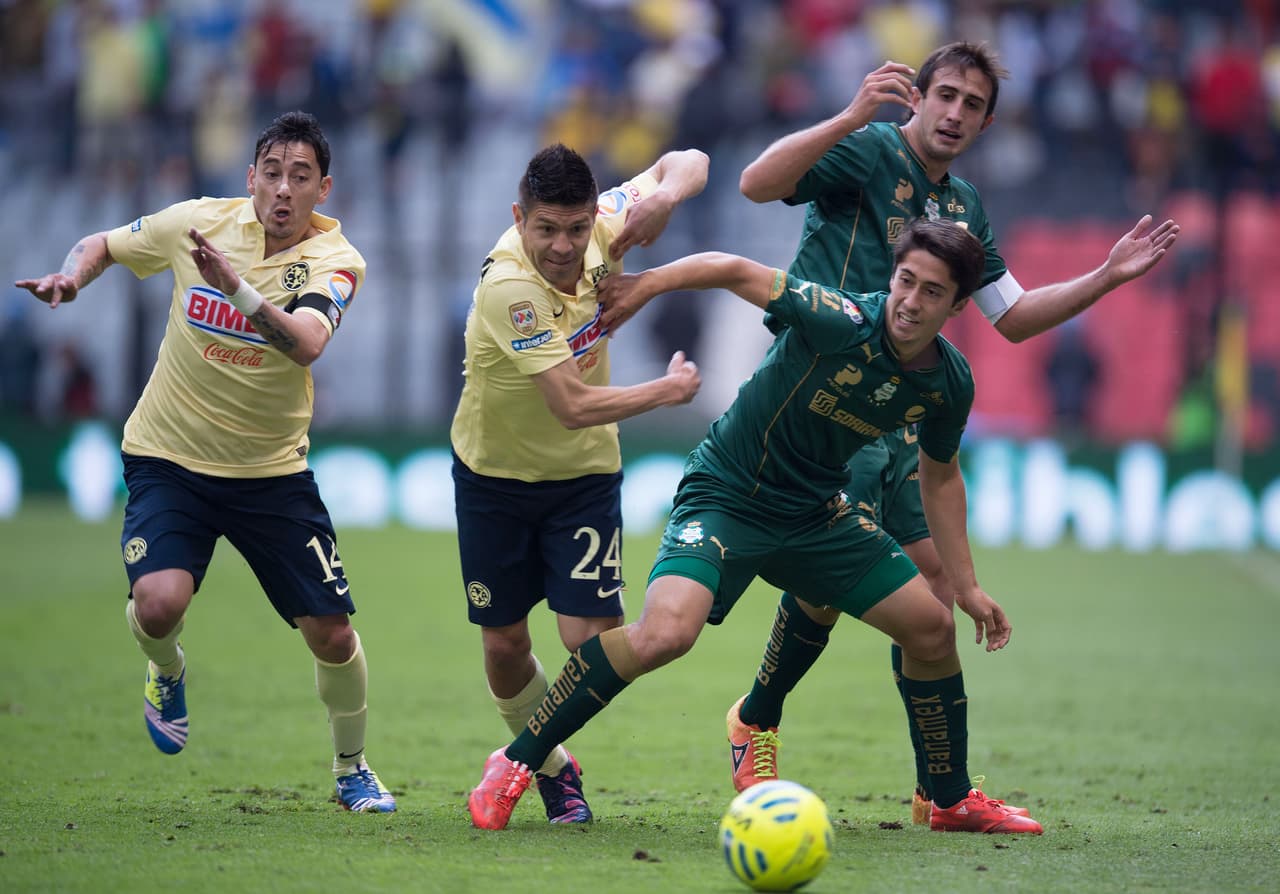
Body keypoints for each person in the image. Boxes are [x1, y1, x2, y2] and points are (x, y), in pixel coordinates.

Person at [466, 219, 1050, 833]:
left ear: (958, 305)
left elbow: (940, 478)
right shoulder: (841, 318)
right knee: (667, 633)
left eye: (932, 291)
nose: (911, 300)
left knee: (932, 629)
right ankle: (515, 759)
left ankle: (951, 800)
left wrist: (967, 586)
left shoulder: (948, 382)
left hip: (816, 515)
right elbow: (734, 269)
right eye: (906, 281)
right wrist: (647, 285)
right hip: (726, 493)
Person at [729, 41, 1179, 828]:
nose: (955, 114)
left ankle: (942, 794)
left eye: (973, 105)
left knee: (936, 594)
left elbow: (1011, 315)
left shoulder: (964, 207)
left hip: (896, 418)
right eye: (945, 95)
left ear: (986, 122)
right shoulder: (867, 150)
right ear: (920, 97)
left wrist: (1106, 277)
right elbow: (757, 183)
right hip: (823, 401)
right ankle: (757, 717)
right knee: (831, 580)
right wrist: (848, 115)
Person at [15, 111, 396, 813]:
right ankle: (167, 671)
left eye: (300, 176)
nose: (283, 188)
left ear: (324, 189)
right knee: (158, 605)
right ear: (250, 178)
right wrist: (72, 278)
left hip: (271, 474)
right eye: (272, 173)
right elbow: (100, 242)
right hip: (170, 456)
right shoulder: (197, 224)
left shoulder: (339, 260)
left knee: (333, 634)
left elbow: (307, 342)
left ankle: (352, 769)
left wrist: (238, 289)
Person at [450, 143, 707, 825]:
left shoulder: (607, 224)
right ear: (519, 218)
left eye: (574, 227)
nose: (563, 247)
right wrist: (667, 390)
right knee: (505, 647)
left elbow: (692, 157)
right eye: (545, 229)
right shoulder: (509, 289)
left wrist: (663, 198)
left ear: (593, 213)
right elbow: (571, 405)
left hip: (584, 475)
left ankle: (523, 758)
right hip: (492, 477)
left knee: (592, 640)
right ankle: (554, 767)